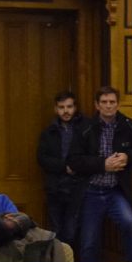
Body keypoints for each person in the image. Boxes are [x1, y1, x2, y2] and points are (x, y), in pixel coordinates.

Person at [71, 87, 132, 262]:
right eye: (104, 102)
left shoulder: (129, 125)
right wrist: (102, 164)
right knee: (89, 241)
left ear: (118, 104)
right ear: (97, 105)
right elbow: (74, 161)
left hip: (116, 191)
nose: (108, 106)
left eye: (112, 102)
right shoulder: (85, 128)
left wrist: (128, 156)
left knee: (130, 224)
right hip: (91, 191)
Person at [35, 90, 86, 247]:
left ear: (75, 108)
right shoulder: (49, 132)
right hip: (55, 187)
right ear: (56, 109)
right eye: (61, 107)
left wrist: (76, 167)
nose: (66, 111)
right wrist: (64, 167)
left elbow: (90, 154)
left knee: (72, 231)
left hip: (77, 187)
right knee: (56, 230)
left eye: (69, 107)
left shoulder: (85, 128)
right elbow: (42, 158)